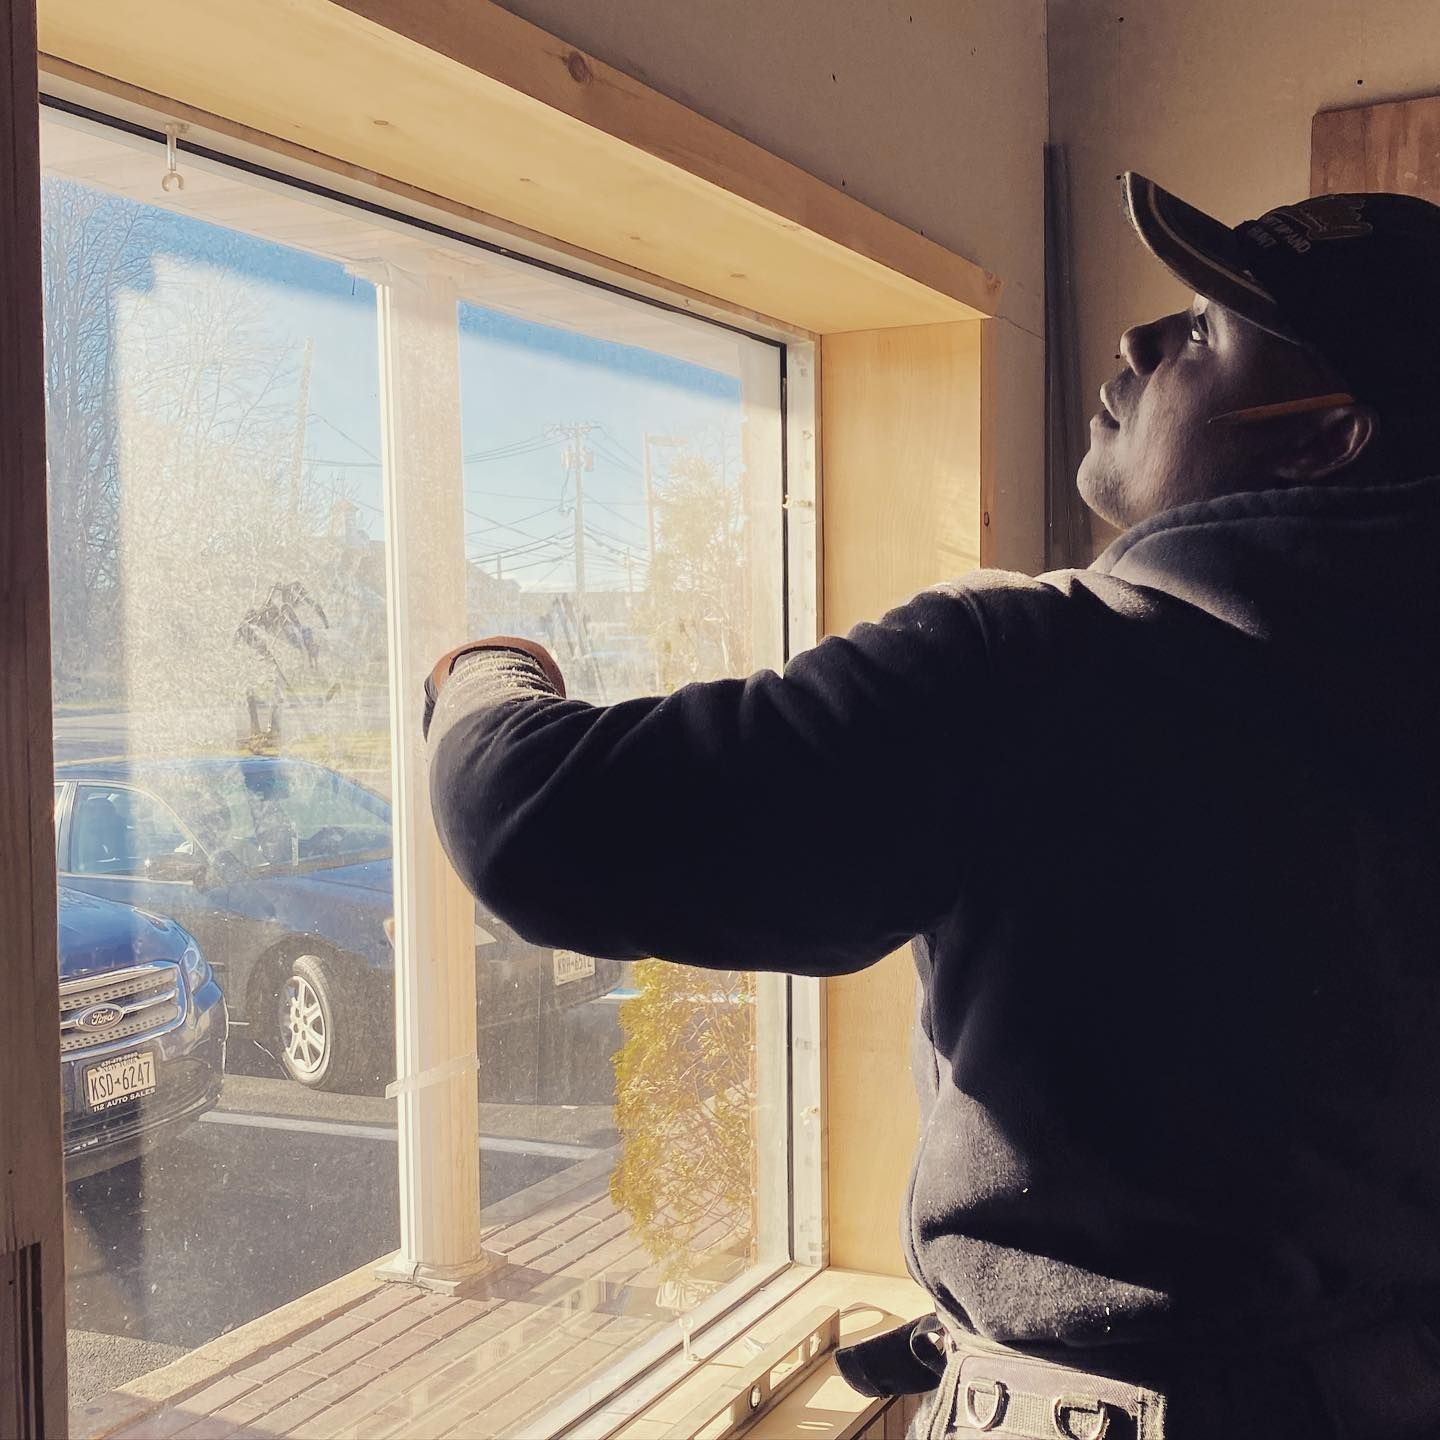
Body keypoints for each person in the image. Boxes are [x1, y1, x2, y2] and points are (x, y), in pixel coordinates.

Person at [423, 174, 1440, 1439]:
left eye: (1204, 332)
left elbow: (539, 824)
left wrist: (484, 677)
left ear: (1326, 436)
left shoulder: (1047, 669)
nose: (1137, 342)